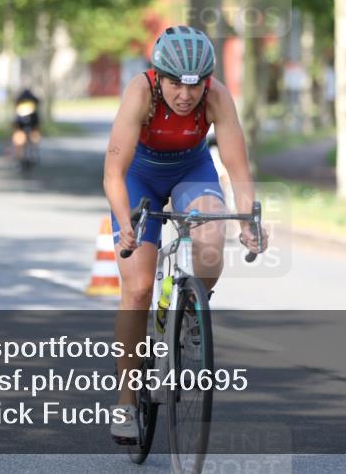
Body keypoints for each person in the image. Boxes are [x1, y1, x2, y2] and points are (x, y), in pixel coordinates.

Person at [102, 25, 267, 444]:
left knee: (211, 240)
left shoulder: (217, 98)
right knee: (138, 289)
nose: (184, 95)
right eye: (175, 83)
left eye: (194, 86)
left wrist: (248, 221)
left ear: (207, 81)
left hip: (192, 172)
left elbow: (239, 169)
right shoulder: (139, 93)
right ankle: (125, 401)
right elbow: (114, 173)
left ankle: (195, 307)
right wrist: (124, 227)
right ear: (158, 76)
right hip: (139, 178)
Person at [11, 87, 41, 161]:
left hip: (23, 122)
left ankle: (19, 154)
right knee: (33, 134)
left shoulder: (20, 100)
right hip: (31, 121)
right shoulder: (33, 101)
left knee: (19, 134)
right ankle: (33, 151)